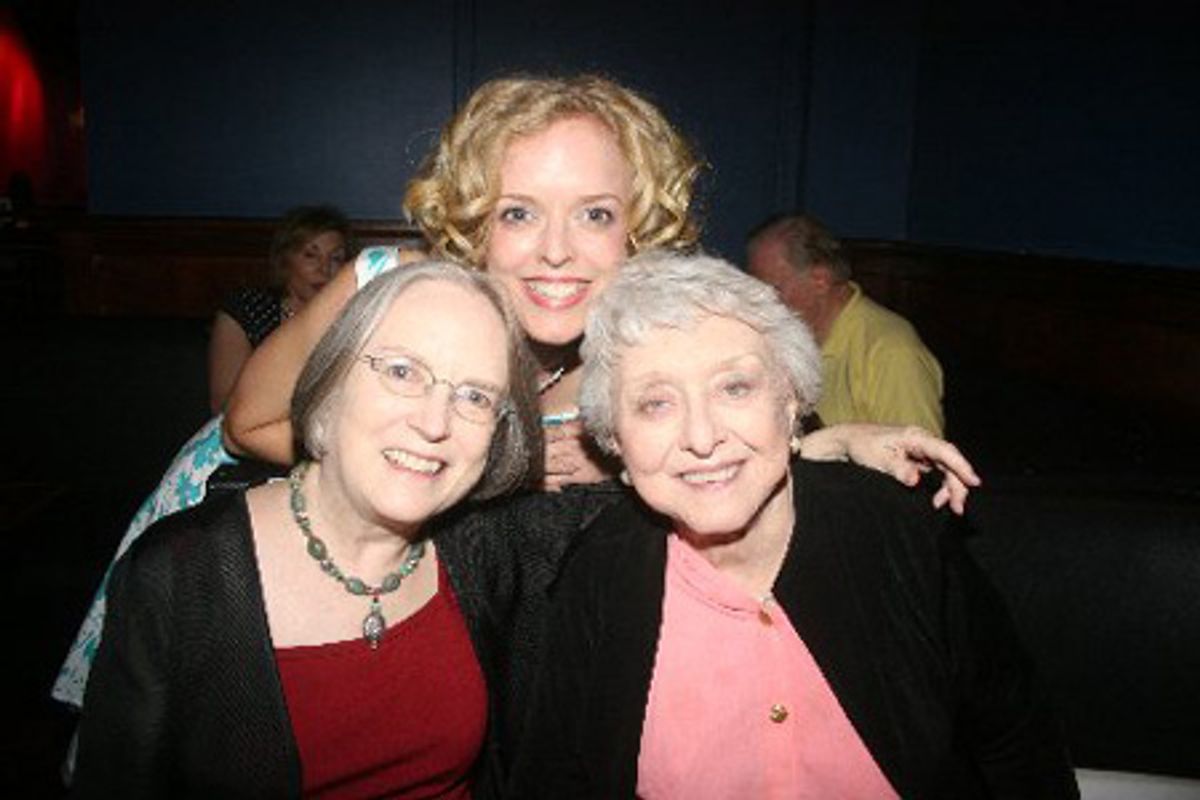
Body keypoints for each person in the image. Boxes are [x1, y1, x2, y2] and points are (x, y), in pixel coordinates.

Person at [56, 72, 978, 717]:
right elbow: (251, 422)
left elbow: (705, 448)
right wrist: (491, 469)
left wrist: (834, 442)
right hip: (241, 524)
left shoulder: (635, 342)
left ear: (640, 227)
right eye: (518, 212)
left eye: (595, 215)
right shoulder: (389, 285)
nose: (555, 251)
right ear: (474, 221)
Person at [510, 252, 1077, 798]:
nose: (702, 437)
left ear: (789, 402)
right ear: (617, 443)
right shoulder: (597, 572)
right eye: (656, 404)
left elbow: (1016, 740)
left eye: (735, 387)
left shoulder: (898, 532)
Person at [72, 261, 549, 797]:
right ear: (333, 377)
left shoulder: (493, 553)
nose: (435, 423)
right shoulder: (180, 575)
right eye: (400, 371)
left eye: (476, 396)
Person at [747, 213, 946, 434]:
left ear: (820, 281)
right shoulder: (784, 338)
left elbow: (920, 461)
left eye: (773, 289)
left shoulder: (892, 351)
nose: (761, 302)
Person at [207, 205, 352, 413]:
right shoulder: (247, 309)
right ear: (285, 260)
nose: (324, 269)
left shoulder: (351, 319)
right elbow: (224, 407)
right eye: (311, 255)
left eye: (335, 258)